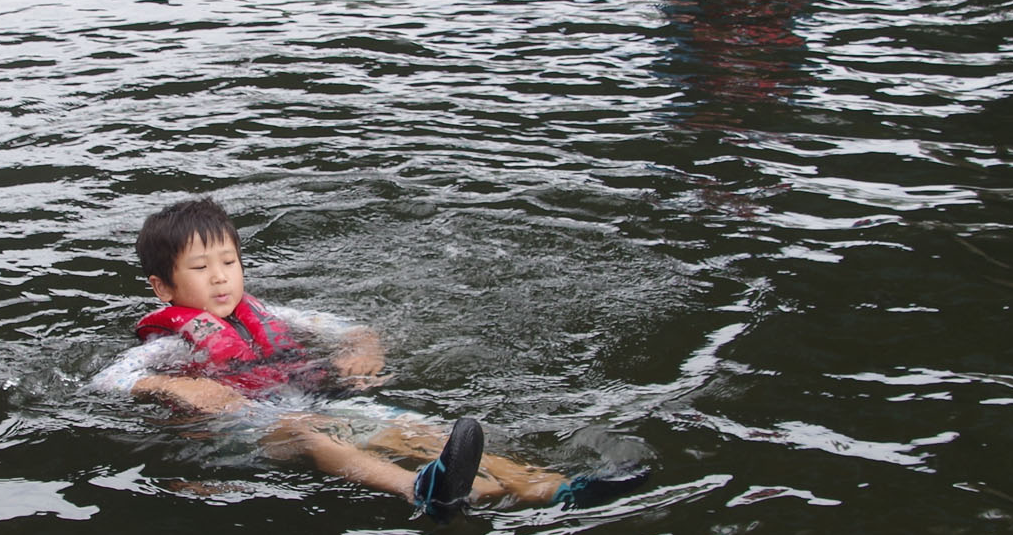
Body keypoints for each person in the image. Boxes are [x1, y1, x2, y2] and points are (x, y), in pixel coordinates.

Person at [97, 197, 639, 517]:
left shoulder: (270, 314)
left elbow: (342, 326)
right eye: (200, 268)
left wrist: (362, 345)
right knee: (311, 432)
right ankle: (418, 491)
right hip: (242, 431)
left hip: (310, 400)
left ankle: (547, 486)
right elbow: (107, 381)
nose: (220, 277)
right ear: (163, 288)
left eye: (229, 262)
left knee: (417, 431)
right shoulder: (171, 343)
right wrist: (176, 386)